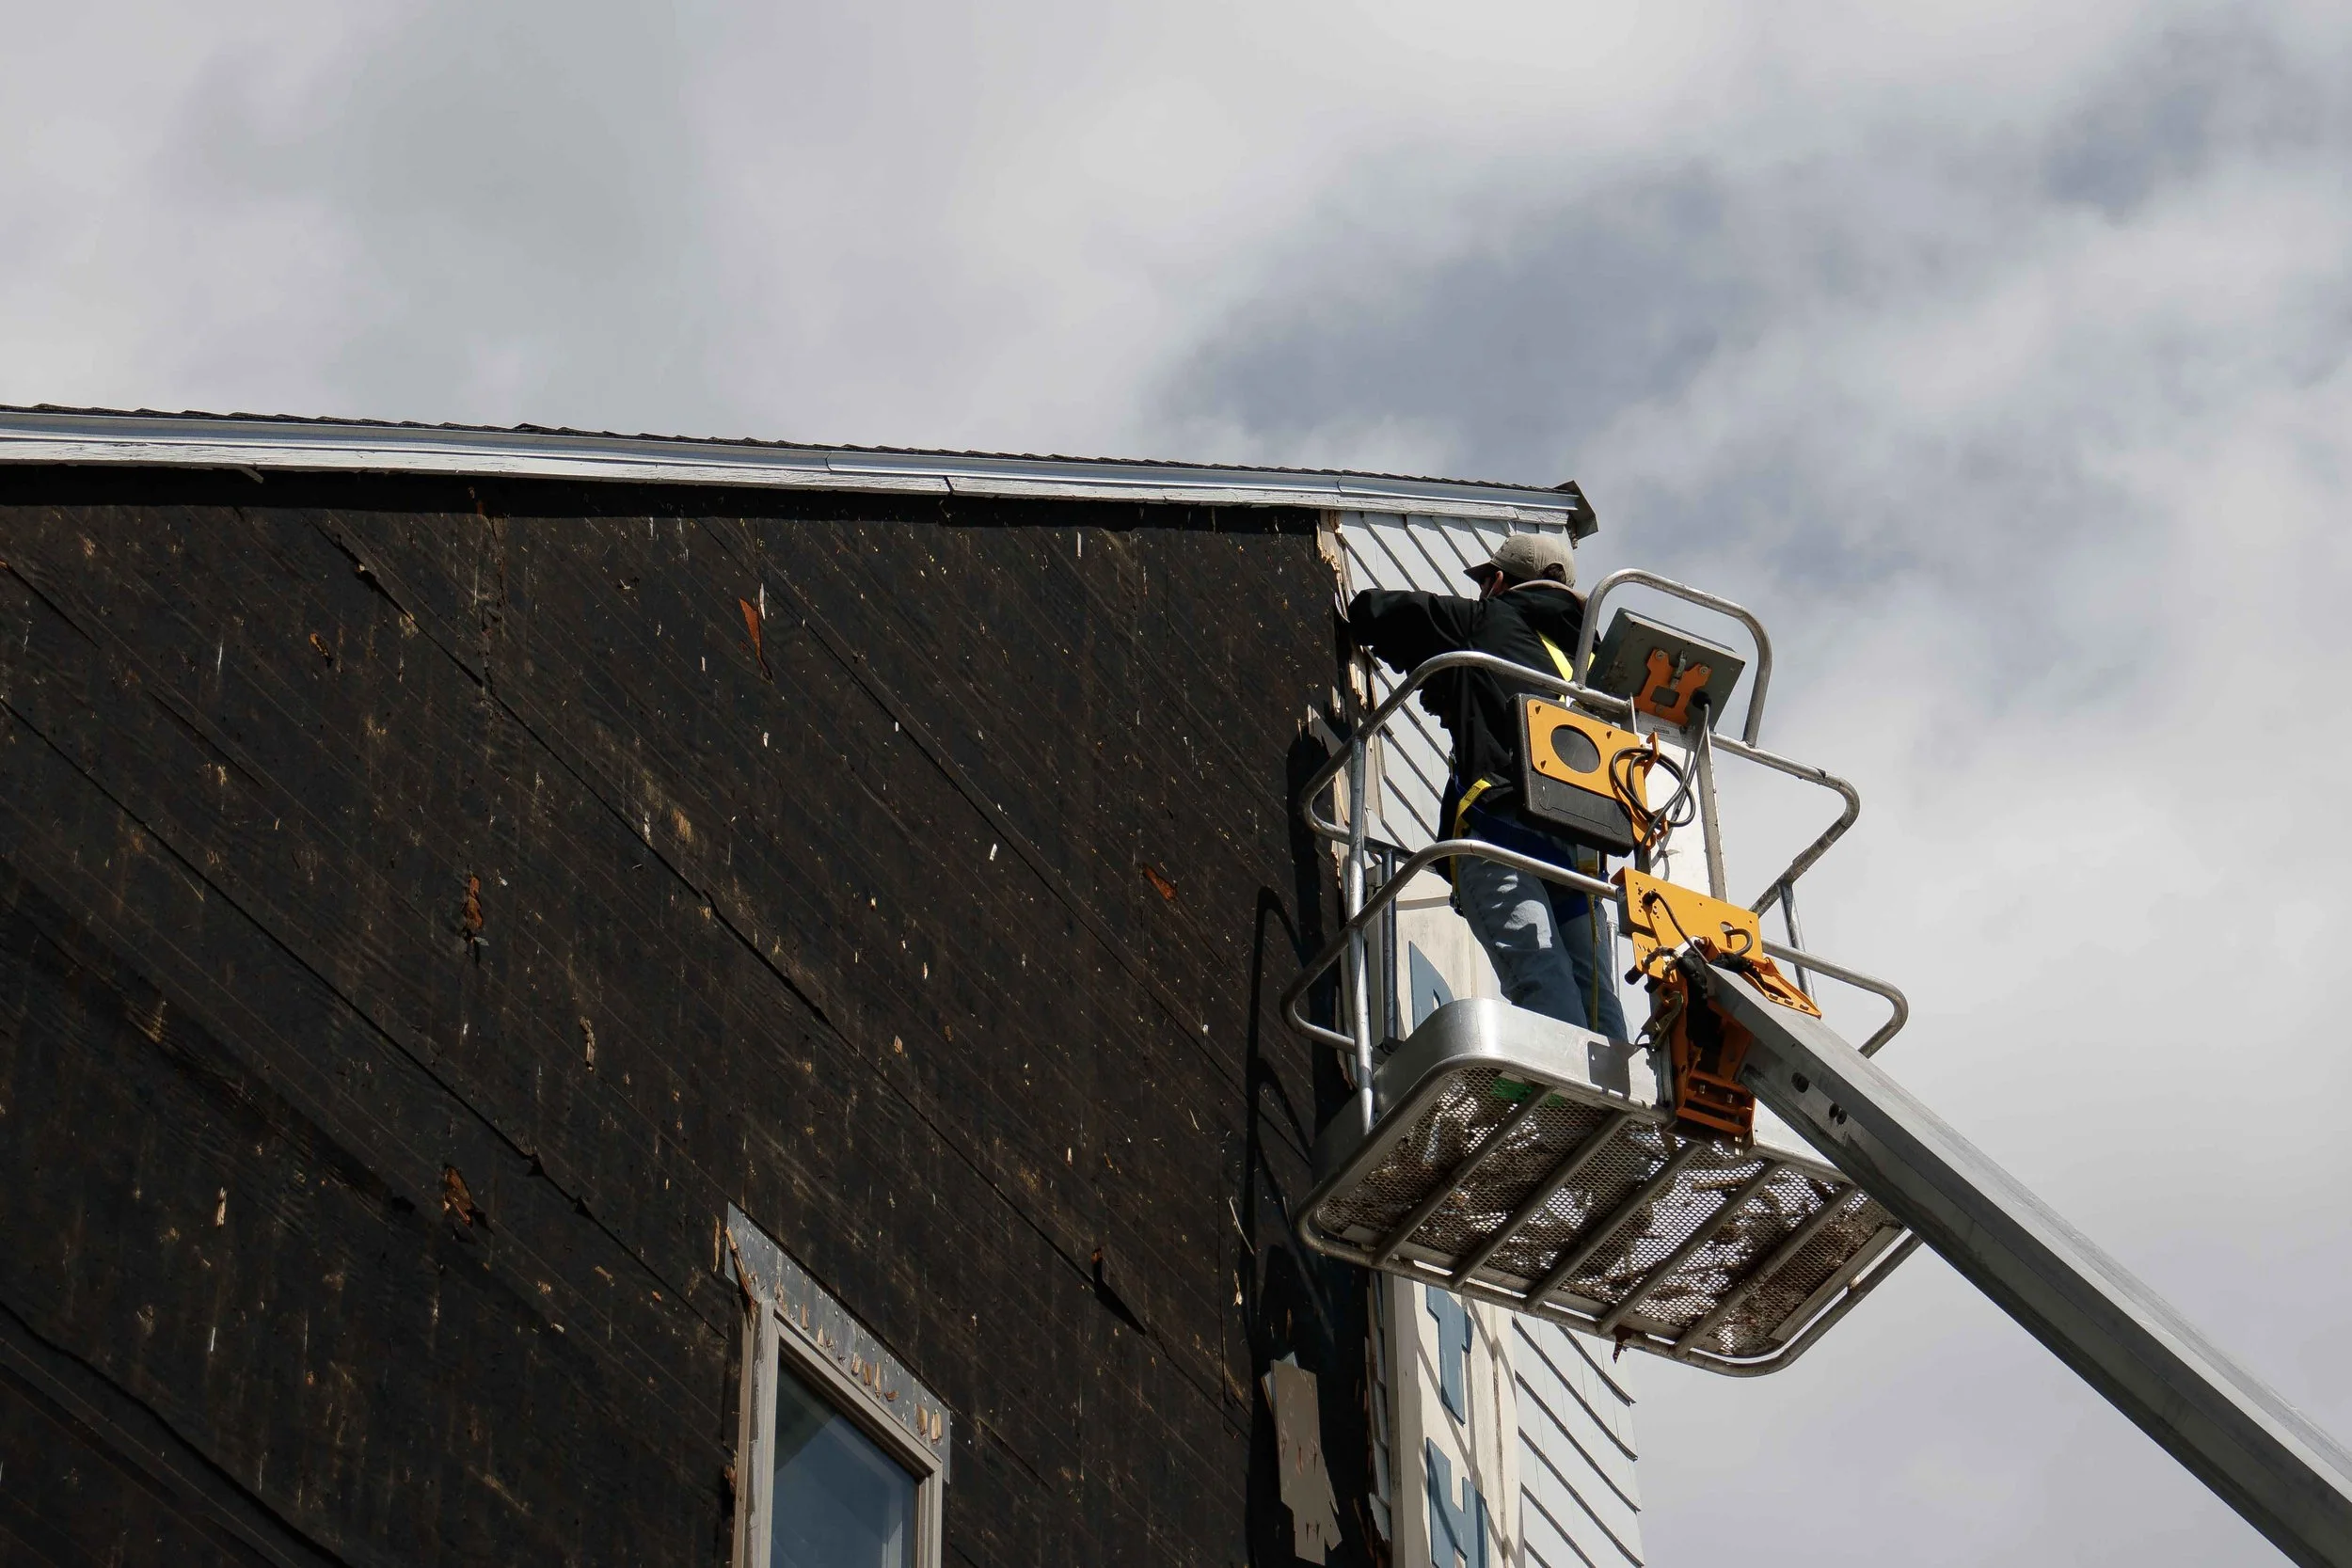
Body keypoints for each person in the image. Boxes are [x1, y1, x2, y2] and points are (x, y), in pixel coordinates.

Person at [1343, 532, 1629, 1039]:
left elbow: (1378, 613)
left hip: (1499, 832)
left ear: (1498, 581)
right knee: (1596, 999)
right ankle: (1619, 1112)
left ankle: (1563, 1105)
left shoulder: (1489, 619)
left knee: (1541, 978)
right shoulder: (1594, 671)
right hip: (1578, 862)